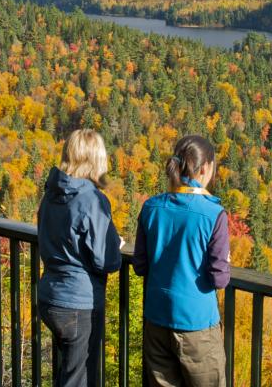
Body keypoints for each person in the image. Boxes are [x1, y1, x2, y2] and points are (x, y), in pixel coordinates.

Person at [133, 134, 231, 387]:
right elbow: (220, 279)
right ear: (206, 167)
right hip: (197, 323)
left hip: (156, 318)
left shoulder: (151, 207)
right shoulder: (213, 213)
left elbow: (140, 266)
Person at [37, 129, 123, 387]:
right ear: (96, 160)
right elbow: (106, 261)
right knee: (79, 379)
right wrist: (115, 246)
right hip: (78, 304)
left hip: (50, 297)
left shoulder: (51, 194)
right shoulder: (91, 200)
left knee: (68, 374)